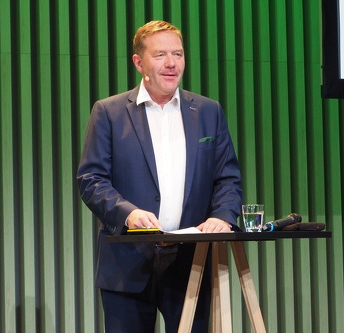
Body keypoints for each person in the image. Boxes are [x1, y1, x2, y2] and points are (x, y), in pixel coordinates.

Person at [76, 20, 243, 333]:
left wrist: (222, 216)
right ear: (139, 62)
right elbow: (91, 179)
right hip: (127, 264)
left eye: (178, 55)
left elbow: (228, 178)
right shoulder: (109, 112)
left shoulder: (209, 111)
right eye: (161, 55)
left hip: (192, 262)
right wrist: (128, 213)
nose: (171, 64)